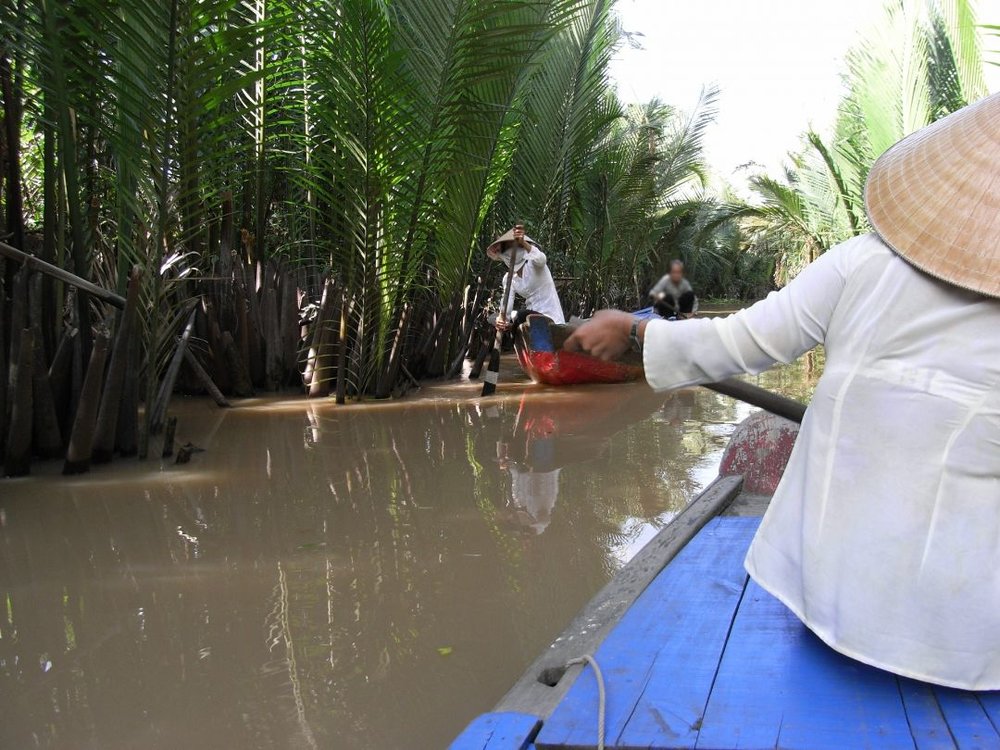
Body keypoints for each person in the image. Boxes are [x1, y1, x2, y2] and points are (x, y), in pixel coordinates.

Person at [564, 93, 1000, 690]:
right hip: (974, 644)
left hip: (834, 603)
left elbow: (741, 341)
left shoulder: (862, 263)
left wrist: (636, 330)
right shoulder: (861, 263)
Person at [487, 225, 565, 330]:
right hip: (530, 321)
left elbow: (541, 259)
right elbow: (507, 303)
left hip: (550, 318)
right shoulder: (509, 278)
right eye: (503, 251)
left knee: (523, 315)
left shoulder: (534, 264)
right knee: (493, 318)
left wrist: (523, 242)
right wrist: (501, 319)